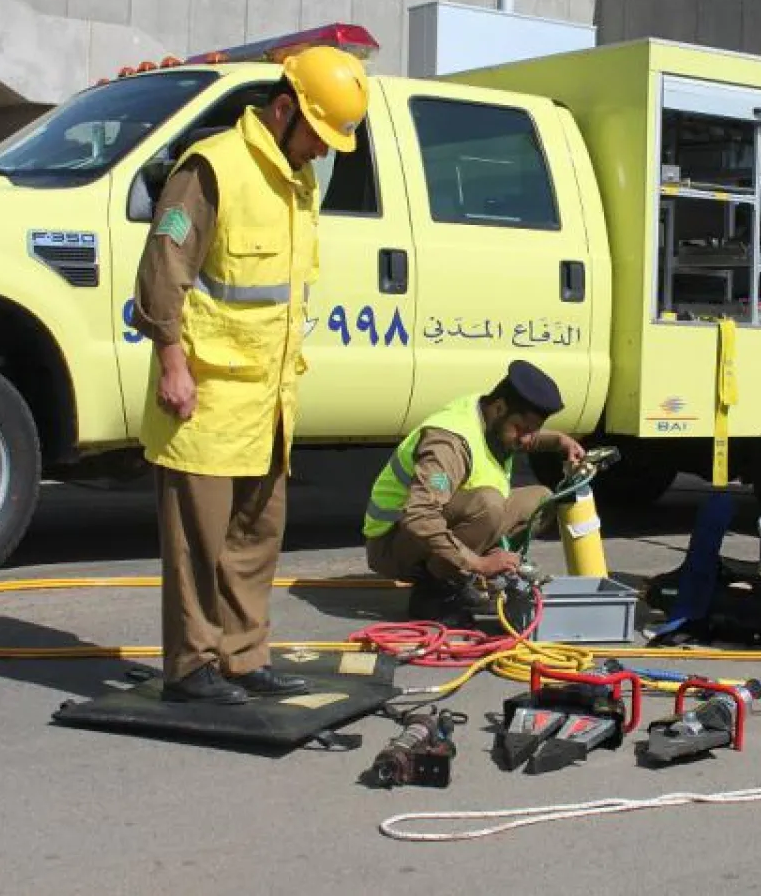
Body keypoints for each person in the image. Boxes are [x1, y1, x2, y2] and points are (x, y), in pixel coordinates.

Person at [132, 44, 371, 705]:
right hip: (204, 397)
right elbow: (164, 271)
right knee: (198, 546)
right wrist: (172, 364)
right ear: (284, 108)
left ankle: (243, 656)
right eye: (318, 136)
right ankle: (191, 667)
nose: (323, 151)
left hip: (267, 401)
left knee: (255, 539)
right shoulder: (212, 169)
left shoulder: (297, 178)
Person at [363, 361, 586, 625]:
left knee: (541, 499)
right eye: (524, 430)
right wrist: (478, 563)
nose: (527, 439)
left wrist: (561, 441)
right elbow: (419, 516)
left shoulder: (489, 415)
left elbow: (525, 436)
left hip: (438, 528)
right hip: (393, 544)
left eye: (533, 431)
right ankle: (435, 592)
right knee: (488, 504)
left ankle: (467, 577)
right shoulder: (448, 443)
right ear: (500, 408)